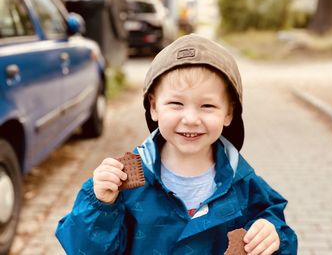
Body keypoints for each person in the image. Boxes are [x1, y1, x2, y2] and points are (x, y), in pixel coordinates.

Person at [56, 34, 297, 254]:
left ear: (228, 113)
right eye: (176, 104)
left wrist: (272, 234)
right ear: (153, 107)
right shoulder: (122, 185)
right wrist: (100, 206)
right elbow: (82, 249)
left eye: (207, 106)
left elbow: (277, 230)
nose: (191, 119)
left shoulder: (244, 185)